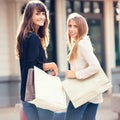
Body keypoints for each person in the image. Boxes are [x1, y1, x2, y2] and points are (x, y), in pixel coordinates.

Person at [16, 0, 58, 120]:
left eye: (43, 13)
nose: (42, 17)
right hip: (39, 93)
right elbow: (32, 66)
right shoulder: (33, 37)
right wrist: (51, 66)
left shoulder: (23, 36)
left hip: (26, 92)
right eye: (37, 14)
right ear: (29, 16)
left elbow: (27, 66)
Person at [64, 13, 103, 120]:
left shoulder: (81, 44)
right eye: (70, 25)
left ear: (81, 27)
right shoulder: (82, 43)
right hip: (92, 91)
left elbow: (95, 66)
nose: (71, 29)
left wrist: (76, 74)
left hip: (83, 91)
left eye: (75, 26)